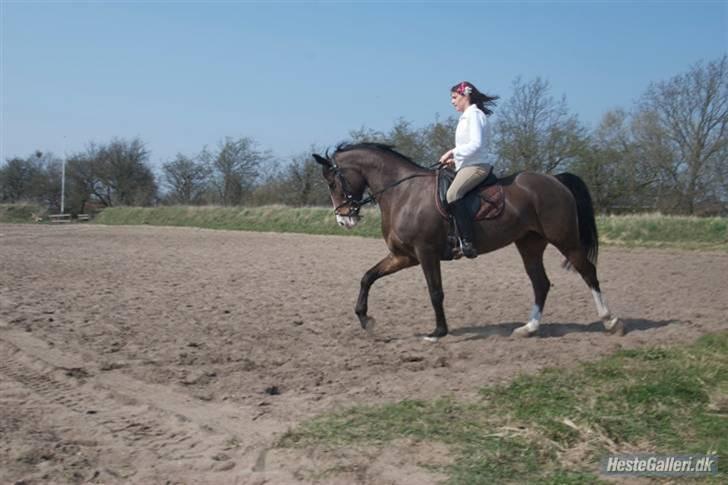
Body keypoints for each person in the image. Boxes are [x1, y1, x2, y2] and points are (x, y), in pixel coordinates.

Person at [439, 81, 498, 258]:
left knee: (452, 195)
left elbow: (476, 145)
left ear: (465, 95)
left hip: (478, 166)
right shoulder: (466, 116)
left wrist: (452, 152)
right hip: (468, 165)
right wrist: (455, 160)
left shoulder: (474, 115)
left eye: (454, 97)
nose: (452, 101)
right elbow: (469, 148)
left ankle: (467, 241)